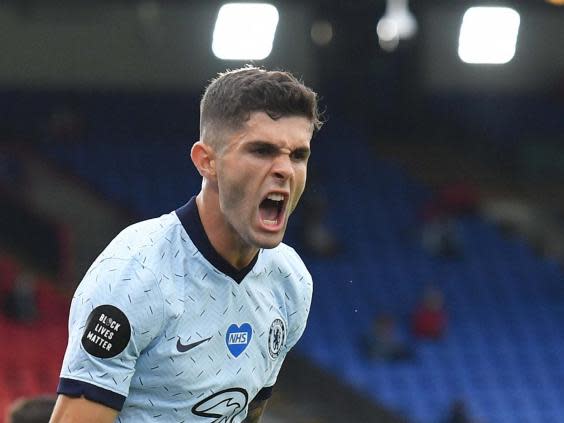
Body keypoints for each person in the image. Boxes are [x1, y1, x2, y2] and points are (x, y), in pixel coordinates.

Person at [49, 66, 323, 423]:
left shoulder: (290, 282)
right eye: (261, 150)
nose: (285, 170)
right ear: (206, 161)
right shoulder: (135, 273)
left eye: (298, 155)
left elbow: (246, 413)